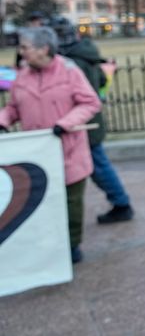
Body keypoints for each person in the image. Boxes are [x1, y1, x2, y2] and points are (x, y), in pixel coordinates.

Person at [0, 27, 101, 263]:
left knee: (71, 202)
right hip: (38, 155)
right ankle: (48, 244)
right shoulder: (22, 75)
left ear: (43, 49)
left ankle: (72, 245)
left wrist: (65, 123)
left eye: (25, 47)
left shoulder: (69, 71)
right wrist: (3, 120)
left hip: (69, 151)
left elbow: (90, 103)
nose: (21, 52)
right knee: (42, 202)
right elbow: (13, 107)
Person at [53, 17, 134, 224]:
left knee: (98, 166)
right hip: (87, 120)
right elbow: (99, 81)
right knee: (98, 164)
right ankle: (120, 202)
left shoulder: (71, 62)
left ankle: (121, 203)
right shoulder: (85, 53)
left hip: (82, 122)